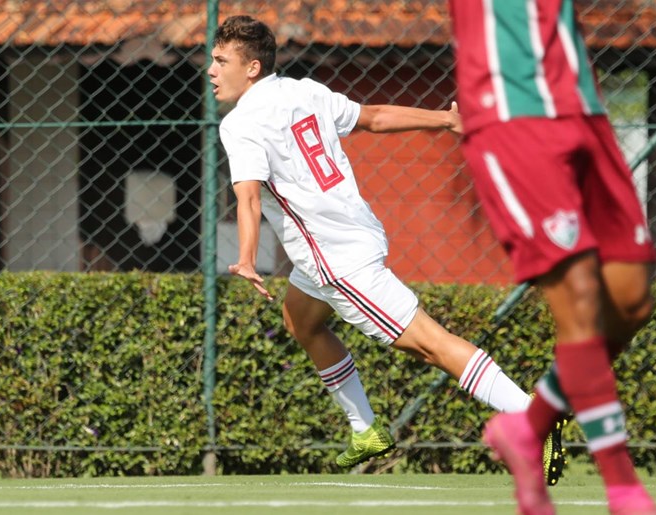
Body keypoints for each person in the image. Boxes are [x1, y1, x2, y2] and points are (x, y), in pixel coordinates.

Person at [208, 15, 565, 481]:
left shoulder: (240, 124)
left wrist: (247, 257)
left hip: (335, 260)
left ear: (251, 67)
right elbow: (374, 118)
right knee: (301, 318)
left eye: (220, 61)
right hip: (347, 239)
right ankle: (365, 430)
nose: (211, 70)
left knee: (430, 345)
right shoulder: (305, 91)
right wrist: (444, 118)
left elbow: (248, 195)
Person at [447, 1, 656, 514]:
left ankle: (528, 427)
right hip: (509, 115)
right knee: (580, 296)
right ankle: (623, 487)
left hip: (582, 109)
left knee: (631, 304)